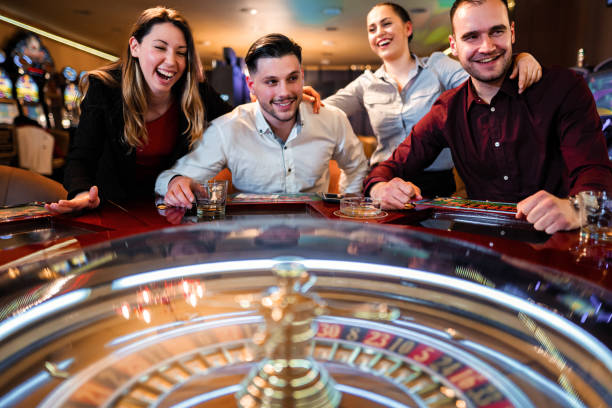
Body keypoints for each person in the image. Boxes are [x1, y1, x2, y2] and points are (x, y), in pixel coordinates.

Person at [365, 0, 612, 234]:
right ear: (453, 45)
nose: (487, 46)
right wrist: (379, 189)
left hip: (555, 246)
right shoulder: (447, 109)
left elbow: (594, 171)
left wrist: (577, 209)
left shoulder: (563, 88)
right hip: (480, 255)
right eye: (471, 36)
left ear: (512, 33)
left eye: (496, 32)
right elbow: (389, 167)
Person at [304, 1, 541, 198]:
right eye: (372, 28)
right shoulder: (366, 83)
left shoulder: (437, 65)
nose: (380, 33)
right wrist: (301, 95)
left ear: (408, 28)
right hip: (384, 181)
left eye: (387, 24)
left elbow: (481, 78)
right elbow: (324, 109)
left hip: (435, 184)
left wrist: (519, 58)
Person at [45, 7, 232, 213]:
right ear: (135, 47)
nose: (171, 61)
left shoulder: (195, 90)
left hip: (173, 211)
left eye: (181, 52)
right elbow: (81, 158)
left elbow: (239, 126)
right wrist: (82, 194)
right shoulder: (105, 88)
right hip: (114, 210)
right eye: (160, 48)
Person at [157, 33, 368, 207]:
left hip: (313, 237)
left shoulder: (332, 119)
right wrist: (177, 183)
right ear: (251, 86)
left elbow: (356, 166)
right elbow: (167, 178)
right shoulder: (228, 128)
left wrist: (346, 208)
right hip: (251, 239)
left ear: (302, 76)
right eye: (271, 82)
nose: (284, 92)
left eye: (292, 78)